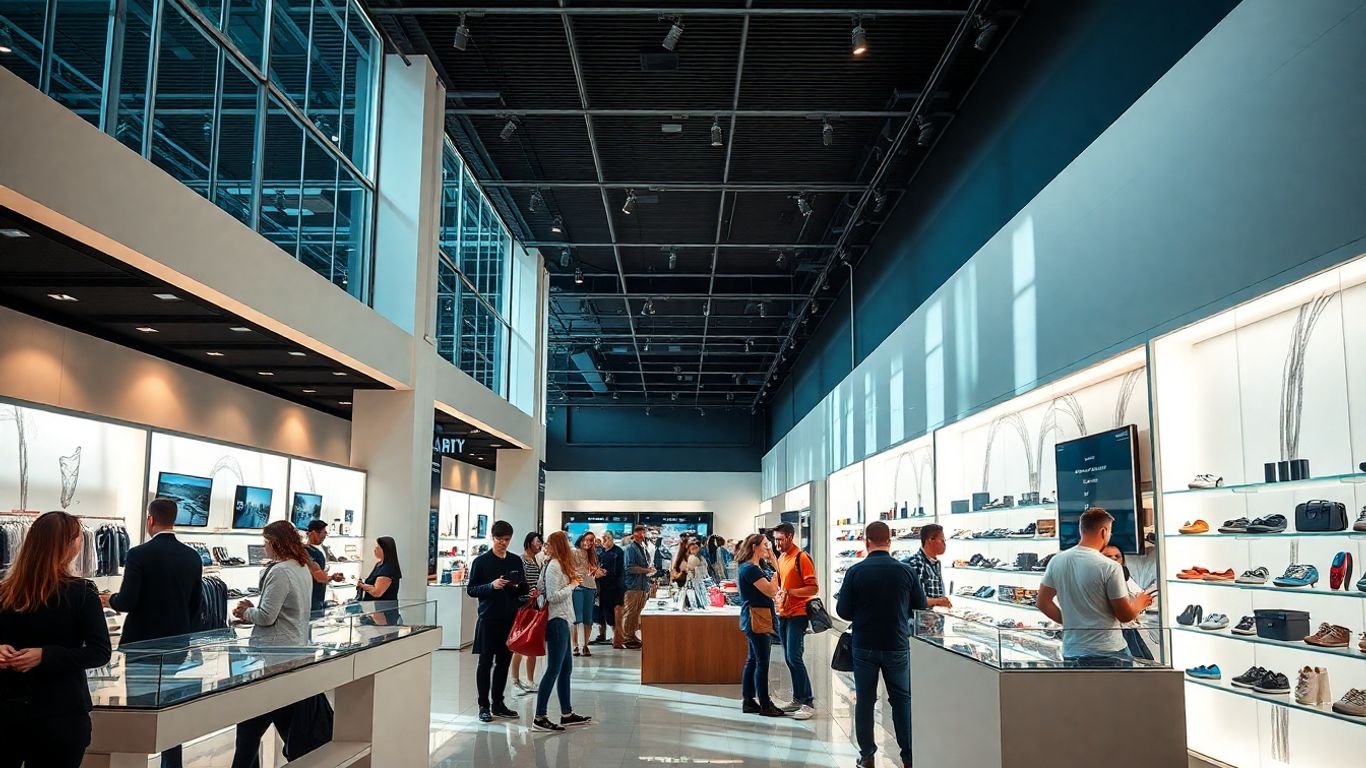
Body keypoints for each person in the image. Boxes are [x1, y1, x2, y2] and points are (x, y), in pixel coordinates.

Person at [0, 511, 112, 768]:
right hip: (58, 714)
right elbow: (100, 651)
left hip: (20, 712)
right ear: (70, 545)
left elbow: (99, 651)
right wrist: (47, 655)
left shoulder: (7, 592)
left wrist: (45, 655)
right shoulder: (82, 593)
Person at [102, 498, 204, 768]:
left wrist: (108, 598)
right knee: (171, 714)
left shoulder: (138, 554)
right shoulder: (192, 557)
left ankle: (135, 763)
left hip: (141, 649)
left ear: (150, 520)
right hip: (177, 648)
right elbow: (197, 607)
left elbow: (127, 602)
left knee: (139, 713)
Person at [836, 521, 928, 768]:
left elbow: (842, 611)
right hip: (897, 643)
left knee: (865, 700)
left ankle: (867, 756)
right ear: (890, 541)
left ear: (866, 542)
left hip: (864, 643)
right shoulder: (906, 571)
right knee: (901, 700)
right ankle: (909, 756)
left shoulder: (855, 571)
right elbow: (920, 605)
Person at [230, 520, 317, 768]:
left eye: (265, 542)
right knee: (282, 727)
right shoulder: (301, 567)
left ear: (274, 542)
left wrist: (245, 612)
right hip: (292, 655)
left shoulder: (280, 572)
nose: (263, 547)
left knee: (248, 729)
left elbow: (267, 617)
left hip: (272, 659)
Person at [1037, 508, 1153, 667]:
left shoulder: (1057, 561)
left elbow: (1042, 602)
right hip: (1109, 652)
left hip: (1072, 651)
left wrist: (1071, 622)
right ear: (1104, 532)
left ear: (1081, 529)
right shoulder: (1110, 567)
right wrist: (1140, 602)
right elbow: (1125, 616)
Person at [467, 520, 529, 723]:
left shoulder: (514, 560)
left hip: (509, 617)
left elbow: (522, 588)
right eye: (500, 539)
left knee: (504, 662)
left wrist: (520, 587)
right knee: (485, 662)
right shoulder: (481, 562)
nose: (504, 543)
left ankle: (498, 702)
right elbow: (472, 590)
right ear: (492, 538)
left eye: (507, 539)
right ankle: (483, 705)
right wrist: (491, 586)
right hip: (488, 618)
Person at [532, 531, 592, 733]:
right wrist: (573, 586)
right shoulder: (555, 566)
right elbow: (553, 596)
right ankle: (540, 716)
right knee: (554, 669)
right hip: (556, 621)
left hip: (564, 620)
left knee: (565, 669)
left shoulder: (558, 564)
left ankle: (566, 713)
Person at [735, 533, 784, 718]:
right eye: (765, 545)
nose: (768, 548)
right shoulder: (751, 569)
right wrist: (775, 568)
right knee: (762, 662)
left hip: (755, 617)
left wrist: (771, 560)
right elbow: (772, 590)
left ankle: (749, 700)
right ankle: (765, 703)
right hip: (758, 618)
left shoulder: (753, 567)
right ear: (754, 547)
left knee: (753, 660)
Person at [772, 522, 818, 719]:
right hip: (783, 614)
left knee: (794, 656)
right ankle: (798, 698)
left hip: (798, 614)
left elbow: (813, 588)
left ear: (790, 537)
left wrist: (790, 592)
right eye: (775, 540)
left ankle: (807, 701)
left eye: (780, 539)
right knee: (790, 658)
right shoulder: (782, 558)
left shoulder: (802, 558)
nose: (777, 544)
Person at [1102, 544, 1156, 661]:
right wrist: (1137, 605)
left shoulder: (1124, 577)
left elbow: (1142, 596)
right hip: (1112, 637)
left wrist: (1140, 601)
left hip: (1129, 632)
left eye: (1117, 556)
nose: (1113, 559)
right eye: (1108, 556)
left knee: (1145, 668)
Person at [511, 531, 543, 693]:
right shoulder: (522, 560)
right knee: (521, 643)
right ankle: (515, 679)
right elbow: (519, 584)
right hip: (525, 605)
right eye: (537, 541)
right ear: (529, 542)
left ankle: (530, 680)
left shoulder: (536, 560)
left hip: (535, 605)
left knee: (532, 643)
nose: (540, 544)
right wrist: (527, 595)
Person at [620, 525, 655, 649]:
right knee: (630, 612)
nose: (641, 534)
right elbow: (629, 568)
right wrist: (646, 570)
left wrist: (649, 571)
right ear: (634, 534)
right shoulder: (630, 549)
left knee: (636, 613)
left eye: (643, 532)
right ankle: (627, 638)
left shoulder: (643, 547)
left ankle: (632, 635)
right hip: (633, 586)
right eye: (638, 532)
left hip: (642, 585)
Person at [570, 532, 604, 657]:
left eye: (591, 541)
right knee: (576, 618)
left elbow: (594, 571)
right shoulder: (574, 552)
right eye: (586, 540)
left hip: (590, 587)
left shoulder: (593, 555)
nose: (588, 543)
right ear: (581, 539)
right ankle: (575, 645)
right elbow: (570, 569)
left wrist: (597, 572)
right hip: (578, 587)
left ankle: (585, 645)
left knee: (588, 618)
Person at [905, 524, 952, 609]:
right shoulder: (915, 563)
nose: (944, 544)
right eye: (942, 540)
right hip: (919, 620)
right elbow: (912, 599)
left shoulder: (935, 563)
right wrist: (938, 601)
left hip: (934, 618)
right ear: (930, 540)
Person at [304, 520, 346, 615]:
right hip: (310, 596)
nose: (325, 535)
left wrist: (331, 577)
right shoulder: (306, 551)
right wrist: (331, 577)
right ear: (314, 533)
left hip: (319, 596)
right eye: (324, 532)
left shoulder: (320, 550)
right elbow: (318, 576)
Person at [593, 531, 625, 647]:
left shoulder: (618, 552)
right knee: (604, 613)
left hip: (616, 588)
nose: (606, 540)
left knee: (615, 613)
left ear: (612, 539)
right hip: (603, 588)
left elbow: (618, 570)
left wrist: (606, 572)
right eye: (604, 538)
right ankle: (604, 635)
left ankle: (618, 638)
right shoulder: (601, 553)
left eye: (608, 538)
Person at [355, 536, 402, 603]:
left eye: (377, 548)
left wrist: (362, 585)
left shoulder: (388, 569)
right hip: (373, 608)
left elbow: (377, 592)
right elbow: (373, 585)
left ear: (385, 550)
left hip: (384, 609)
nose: (375, 550)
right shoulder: (379, 564)